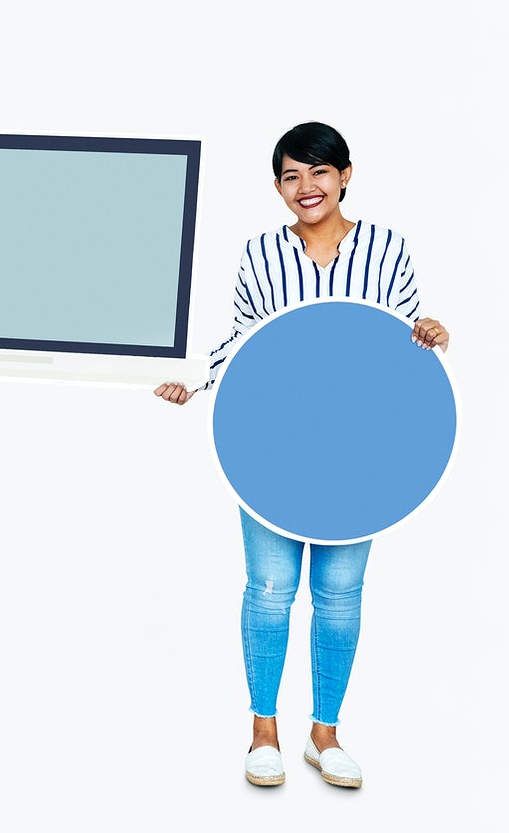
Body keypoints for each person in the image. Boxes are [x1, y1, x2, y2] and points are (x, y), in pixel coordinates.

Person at [154, 122, 450, 789]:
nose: (305, 187)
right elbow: (242, 339)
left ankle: (326, 734)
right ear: (278, 187)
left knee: (340, 593)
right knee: (268, 589)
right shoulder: (260, 254)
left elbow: (396, 335)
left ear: (345, 175)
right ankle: (264, 732)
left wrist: (427, 331)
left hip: (362, 447)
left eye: (319, 172)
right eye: (291, 176)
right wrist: (197, 384)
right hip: (271, 441)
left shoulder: (386, 247)